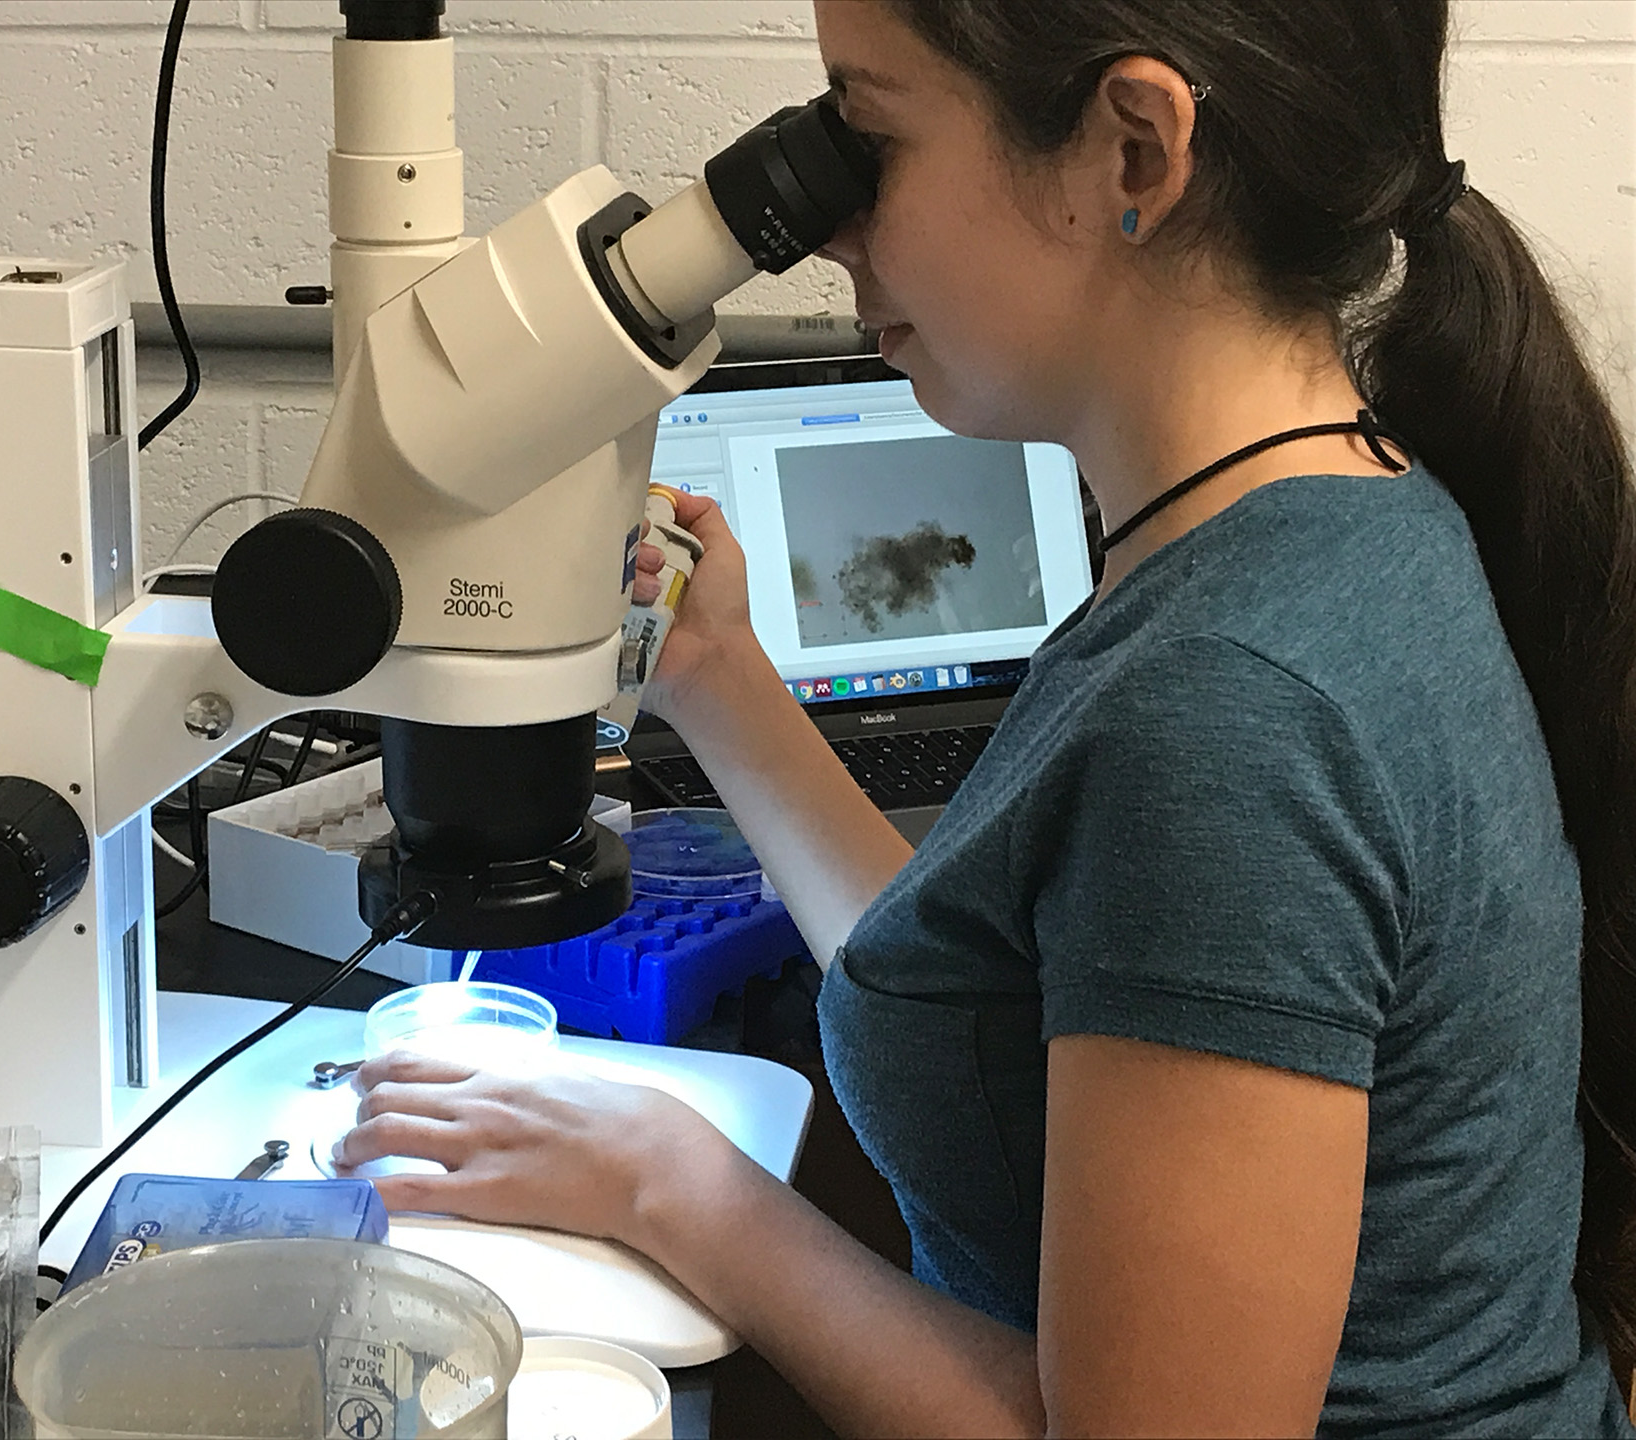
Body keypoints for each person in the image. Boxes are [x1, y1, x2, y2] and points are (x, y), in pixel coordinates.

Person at [335, 1, 1636, 1432]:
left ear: (1132, 151)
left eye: (867, 136)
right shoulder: (1312, 525)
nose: (828, 229)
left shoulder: (1230, 706)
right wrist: (713, 673)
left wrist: (680, 1186)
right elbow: (976, 987)